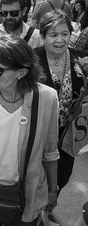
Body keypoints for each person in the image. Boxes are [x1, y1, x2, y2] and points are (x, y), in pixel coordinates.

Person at [0, 36, 59, 225]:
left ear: (21, 72)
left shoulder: (47, 98)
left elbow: (50, 152)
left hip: (28, 191)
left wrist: (52, 190)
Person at [33, 11, 88, 199]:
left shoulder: (81, 59)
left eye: (65, 34)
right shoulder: (32, 60)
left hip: (68, 133)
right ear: (43, 37)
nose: (60, 40)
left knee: (62, 176)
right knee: (36, 175)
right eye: (53, 35)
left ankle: (50, 202)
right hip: (38, 132)